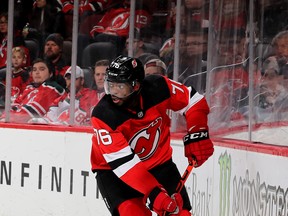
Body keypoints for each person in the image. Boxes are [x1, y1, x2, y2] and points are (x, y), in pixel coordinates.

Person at [90, 55, 214, 215]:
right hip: (115, 174)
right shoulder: (104, 115)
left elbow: (193, 100)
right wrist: (154, 194)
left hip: (159, 165)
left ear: (136, 86)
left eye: (120, 87)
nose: (113, 93)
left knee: (182, 214)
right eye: (110, 86)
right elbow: (125, 164)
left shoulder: (159, 87)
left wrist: (198, 131)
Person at [0, 58, 65, 123]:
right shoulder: (30, 88)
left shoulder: (52, 88)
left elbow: (29, 114)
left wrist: (8, 118)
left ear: (50, 73)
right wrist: (4, 117)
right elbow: (14, 105)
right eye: (34, 70)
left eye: (42, 69)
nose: (37, 72)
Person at [34, 65, 99, 125]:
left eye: (74, 78)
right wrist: (38, 121)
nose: (71, 82)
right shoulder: (61, 99)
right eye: (68, 78)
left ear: (82, 81)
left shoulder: (91, 95)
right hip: (60, 131)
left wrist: (60, 124)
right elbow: (49, 117)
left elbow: (82, 118)